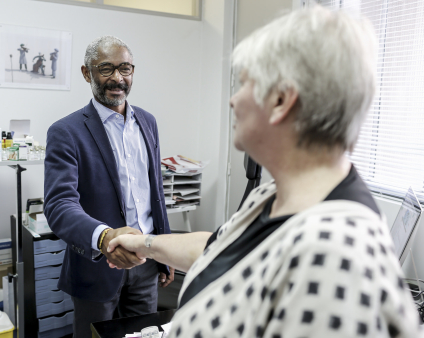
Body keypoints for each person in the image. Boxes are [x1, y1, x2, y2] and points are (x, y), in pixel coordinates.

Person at [106, 6, 423, 338]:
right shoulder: (273, 195)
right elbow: (222, 249)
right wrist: (144, 243)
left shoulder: (334, 254)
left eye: (244, 84)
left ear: (282, 100)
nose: (233, 100)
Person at [44, 36, 173, 338]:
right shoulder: (67, 132)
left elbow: (155, 195)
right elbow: (60, 205)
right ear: (87, 73)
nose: (117, 78)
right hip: (97, 265)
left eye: (125, 69)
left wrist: (164, 254)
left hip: (146, 261)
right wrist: (104, 238)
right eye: (106, 69)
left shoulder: (148, 122)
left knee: (146, 335)